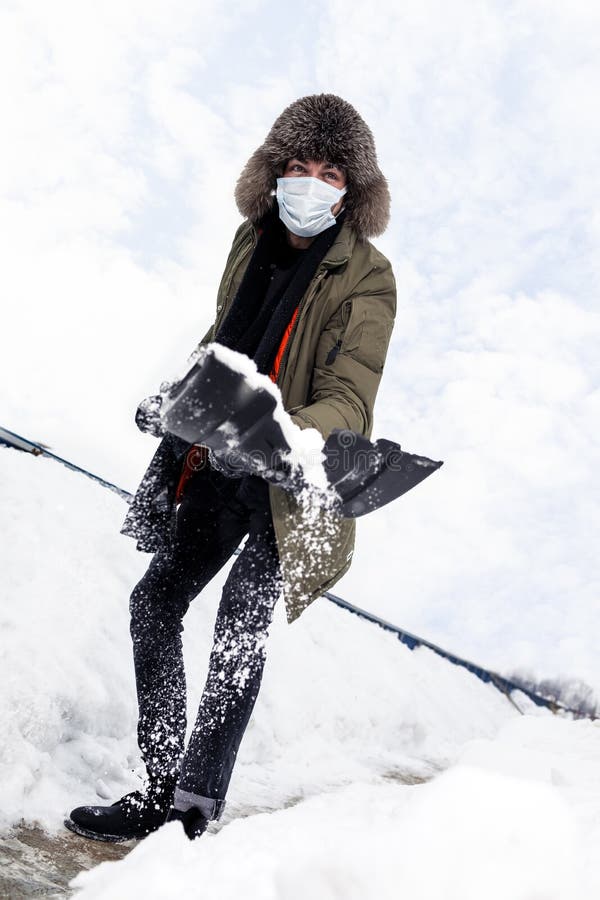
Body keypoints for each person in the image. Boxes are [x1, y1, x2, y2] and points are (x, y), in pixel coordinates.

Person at [65, 93, 396, 843]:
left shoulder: (367, 277)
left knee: (239, 630)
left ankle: (193, 810)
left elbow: (350, 398)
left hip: (290, 480)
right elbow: (223, 339)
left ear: (354, 190)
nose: (311, 184)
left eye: (331, 172)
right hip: (219, 461)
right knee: (155, 603)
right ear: (274, 172)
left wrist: (274, 430)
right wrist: (176, 401)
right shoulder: (249, 243)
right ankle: (156, 788)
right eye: (297, 166)